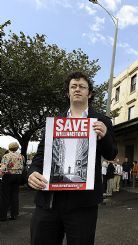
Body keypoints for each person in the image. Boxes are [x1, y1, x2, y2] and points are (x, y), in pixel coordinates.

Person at [27, 72, 118, 245]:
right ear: (68, 92)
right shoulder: (54, 122)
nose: (77, 89)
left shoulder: (102, 120)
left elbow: (111, 153)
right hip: (49, 201)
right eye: (73, 86)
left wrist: (105, 136)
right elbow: (40, 156)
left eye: (82, 87)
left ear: (89, 93)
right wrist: (32, 172)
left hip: (83, 205)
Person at [0, 142, 24, 221]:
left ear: (9, 147)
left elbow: (3, 168)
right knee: (15, 195)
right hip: (18, 176)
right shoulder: (21, 156)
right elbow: (22, 166)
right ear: (17, 148)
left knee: (5, 196)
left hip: (8, 175)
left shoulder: (6, 156)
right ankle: (14, 214)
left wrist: (1, 174)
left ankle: (3, 216)